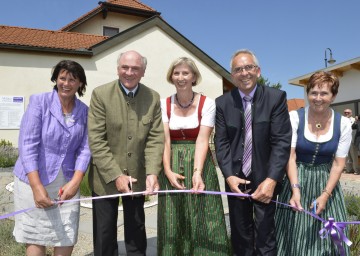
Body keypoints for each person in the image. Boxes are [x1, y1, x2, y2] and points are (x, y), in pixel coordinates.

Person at [215, 49, 292, 256]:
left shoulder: (275, 98)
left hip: (266, 178)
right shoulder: (222, 103)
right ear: (232, 75)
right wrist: (229, 176)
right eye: (238, 69)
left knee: (266, 236)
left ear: (258, 71)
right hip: (235, 179)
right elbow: (221, 142)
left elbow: (281, 142)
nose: (244, 73)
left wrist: (272, 179)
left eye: (248, 67)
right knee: (240, 236)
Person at [88, 50, 164, 256]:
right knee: (104, 235)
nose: (129, 72)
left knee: (137, 233)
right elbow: (96, 140)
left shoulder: (153, 97)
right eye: (125, 67)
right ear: (118, 69)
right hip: (104, 179)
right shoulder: (100, 94)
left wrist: (152, 173)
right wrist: (116, 175)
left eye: (135, 68)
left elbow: (155, 139)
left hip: (138, 176)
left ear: (143, 72)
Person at [13, 60, 91, 256]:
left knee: (66, 233)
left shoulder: (84, 112)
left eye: (72, 79)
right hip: (33, 179)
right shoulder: (39, 102)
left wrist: (76, 181)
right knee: (35, 235)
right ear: (55, 79)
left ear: (80, 83)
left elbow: (85, 149)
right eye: (62, 78)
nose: (66, 83)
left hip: (67, 184)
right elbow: (27, 145)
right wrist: (36, 187)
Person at [157, 57, 231, 255]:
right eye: (177, 73)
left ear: (194, 77)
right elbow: (164, 140)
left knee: (203, 215)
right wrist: (167, 170)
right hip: (171, 161)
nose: (181, 77)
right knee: (173, 217)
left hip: (199, 161)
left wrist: (197, 172)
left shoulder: (207, 103)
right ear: (171, 77)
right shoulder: (163, 104)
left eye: (185, 73)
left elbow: (202, 140)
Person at [275, 71, 352, 255]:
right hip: (297, 178)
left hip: (326, 183)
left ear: (333, 96)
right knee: (295, 235)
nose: (318, 98)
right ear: (308, 93)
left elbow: (338, 164)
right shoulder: (295, 117)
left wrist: (325, 195)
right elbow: (290, 156)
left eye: (324, 93)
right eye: (313, 93)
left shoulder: (343, 124)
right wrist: (295, 189)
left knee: (330, 238)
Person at [343, 109, 359, 174]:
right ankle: (349, 169)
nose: (346, 113)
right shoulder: (342, 120)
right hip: (345, 140)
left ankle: (356, 170)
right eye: (345, 112)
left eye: (348, 112)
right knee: (347, 156)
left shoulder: (354, 120)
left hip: (352, 140)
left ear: (351, 113)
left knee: (354, 156)